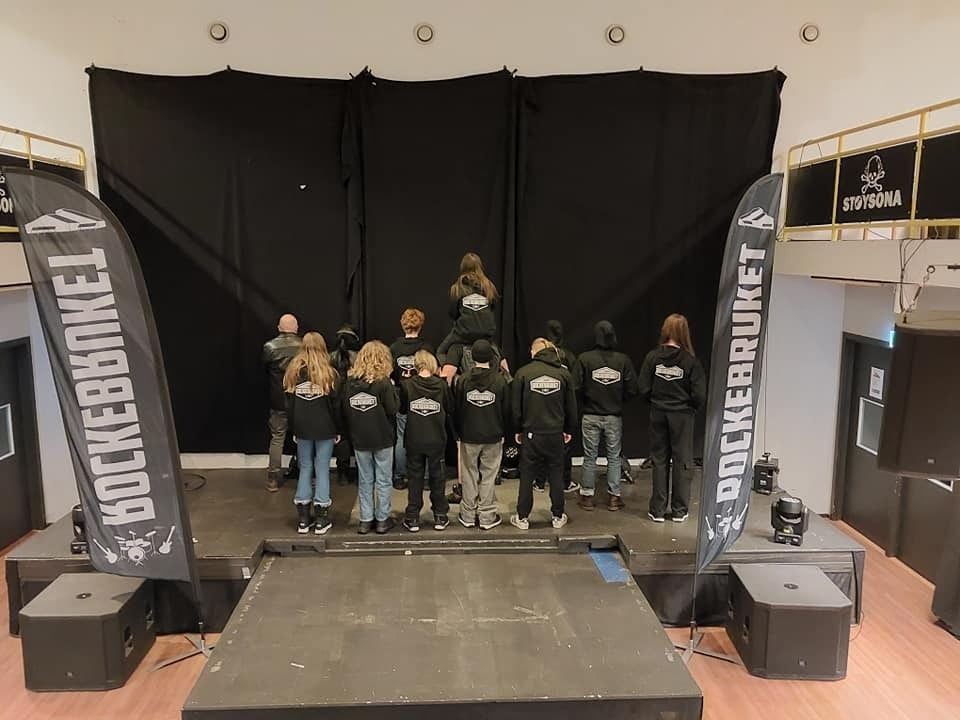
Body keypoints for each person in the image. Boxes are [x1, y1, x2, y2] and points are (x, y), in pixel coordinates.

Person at [638, 313, 706, 523]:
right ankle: (679, 510)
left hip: (658, 413)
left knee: (659, 460)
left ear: (665, 330)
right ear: (685, 333)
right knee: (682, 462)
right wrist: (688, 407)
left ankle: (657, 510)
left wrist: (656, 402)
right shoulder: (690, 361)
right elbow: (699, 395)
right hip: (682, 417)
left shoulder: (652, 357)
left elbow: (643, 388)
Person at [510, 338, 578, 530]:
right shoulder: (564, 374)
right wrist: (569, 430)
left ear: (534, 352)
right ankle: (558, 515)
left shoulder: (523, 373)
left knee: (527, 475)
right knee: (556, 474)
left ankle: (522, 517)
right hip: (555, 433)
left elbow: (516, 407)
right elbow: (571, 407)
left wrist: (517, 430)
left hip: (531, 433)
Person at [572, 321, 638, 512]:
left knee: (589, 457)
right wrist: (618, 400)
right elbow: (633, 388)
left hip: (590, 415)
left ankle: (586, 497)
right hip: (613, 416)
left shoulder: (585, 359)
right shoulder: (623, 360)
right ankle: (614, 498)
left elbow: (575, 386)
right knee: (614, 457)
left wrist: (588, 398)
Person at [283, 333, 341, 535]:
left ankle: (303, 520)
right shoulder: (329, 374)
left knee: (305, 467)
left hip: (302, 429)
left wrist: (294, 429)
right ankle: (321, 520)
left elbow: (288, 407)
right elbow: (336, 407)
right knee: (322, 468)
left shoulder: (292, 372)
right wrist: (338, 430)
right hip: (325, 428)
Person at [453, 339, 509, 530]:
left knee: (469, 475)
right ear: (492, 357)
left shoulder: (463, 380)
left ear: (472, 357)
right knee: (489, 475)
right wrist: (503, 432)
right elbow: (506, 410)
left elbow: (457, 409)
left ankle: (468, 515)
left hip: (469, 435)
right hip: (493, 435)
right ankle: (486, 516)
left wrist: (458, 433)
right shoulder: (500, 380)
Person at [343, 341, 398, 535]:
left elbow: (346, 410)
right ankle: (382, 520)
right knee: (383, 480)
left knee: (365, 480)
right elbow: (393, 409)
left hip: (360, 438)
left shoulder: (350, 383)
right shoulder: (384, 383)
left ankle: (365, 520)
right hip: (382, 437)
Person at [399, 350, 453, 532]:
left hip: (415, 438)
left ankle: (412, 517)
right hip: (436, 438)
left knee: (415, 479)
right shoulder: (442, 385)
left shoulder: (407, 385)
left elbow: (402, 409)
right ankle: (440, 516)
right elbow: (450, 407)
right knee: (438, 477)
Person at [389, 308, 434, 490]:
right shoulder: (427, 347)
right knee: (424, 436)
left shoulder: (394, 348)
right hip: (423, 395)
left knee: (401, 436)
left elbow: (390, 376)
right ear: (420, 325)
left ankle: (399, 476)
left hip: (401, 396)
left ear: (403, 324)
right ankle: (424, 478)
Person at [437, 252, 498, 382]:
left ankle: (457, 380)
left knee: (440, 351)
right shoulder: (489, 287)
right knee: (500, 355)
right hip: (486, 336)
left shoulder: (457, 288)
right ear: (479, 266)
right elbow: (493, 309)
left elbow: (453, 313)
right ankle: (505, 378)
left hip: (463, 335)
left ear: (462, 267)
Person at [536, 320, 579, 494]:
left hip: (539, 405)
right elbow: (574, 385)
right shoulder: (569, 356)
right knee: (563, 445)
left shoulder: (540, 354)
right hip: (560, 407)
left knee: (538, 443)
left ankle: (539, 481)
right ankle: (565, 481)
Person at [262, 314, 302, 492]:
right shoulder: (304, 347)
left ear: (279, 328)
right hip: (301, 400)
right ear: (296, 328)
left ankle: (272, 478)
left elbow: (264, 368)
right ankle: (306, 474)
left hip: (278, 401)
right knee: (304, 438)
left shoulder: (270, 347)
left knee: (277, 438)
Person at [331, 323, 361, 486]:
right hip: (356, 400)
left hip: (336, 401)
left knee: (340, 436)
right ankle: (359, 471)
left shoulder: (330, 357)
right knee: (357, 436)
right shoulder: (359, 358)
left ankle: (342, 472)